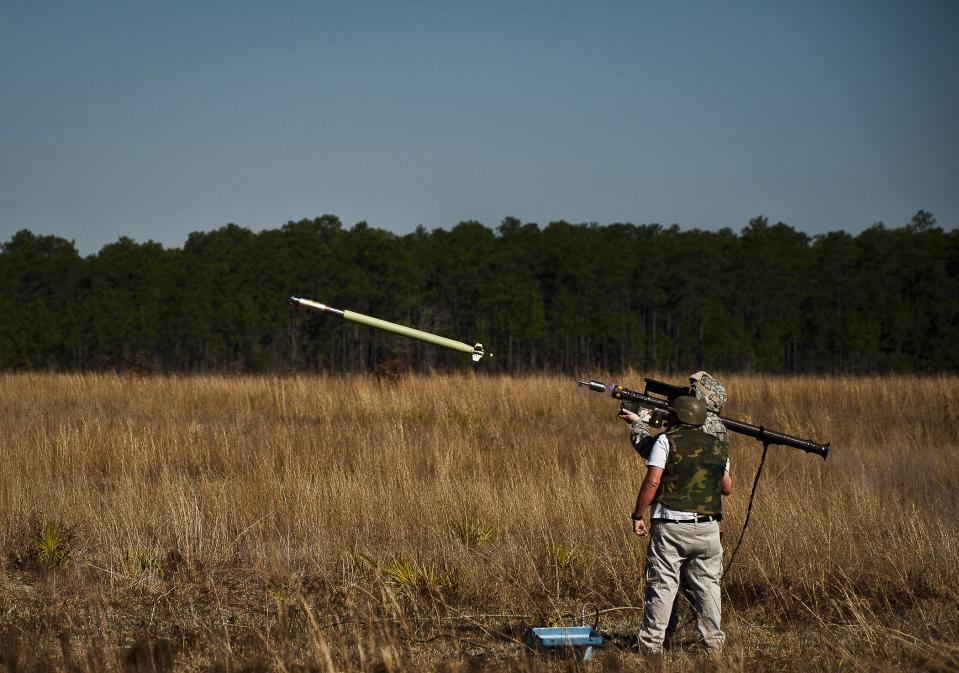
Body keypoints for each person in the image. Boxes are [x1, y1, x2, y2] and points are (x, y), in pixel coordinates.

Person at [619, 371, 729, 642]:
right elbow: (727, 487)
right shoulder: (718, 439)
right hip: (708, 525)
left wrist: (636, 424)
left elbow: (653, 475)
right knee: (707, 587)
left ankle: (653, 645)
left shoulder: (670, 439)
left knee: (663, 585)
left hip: (672, 523)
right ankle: (714, 646)